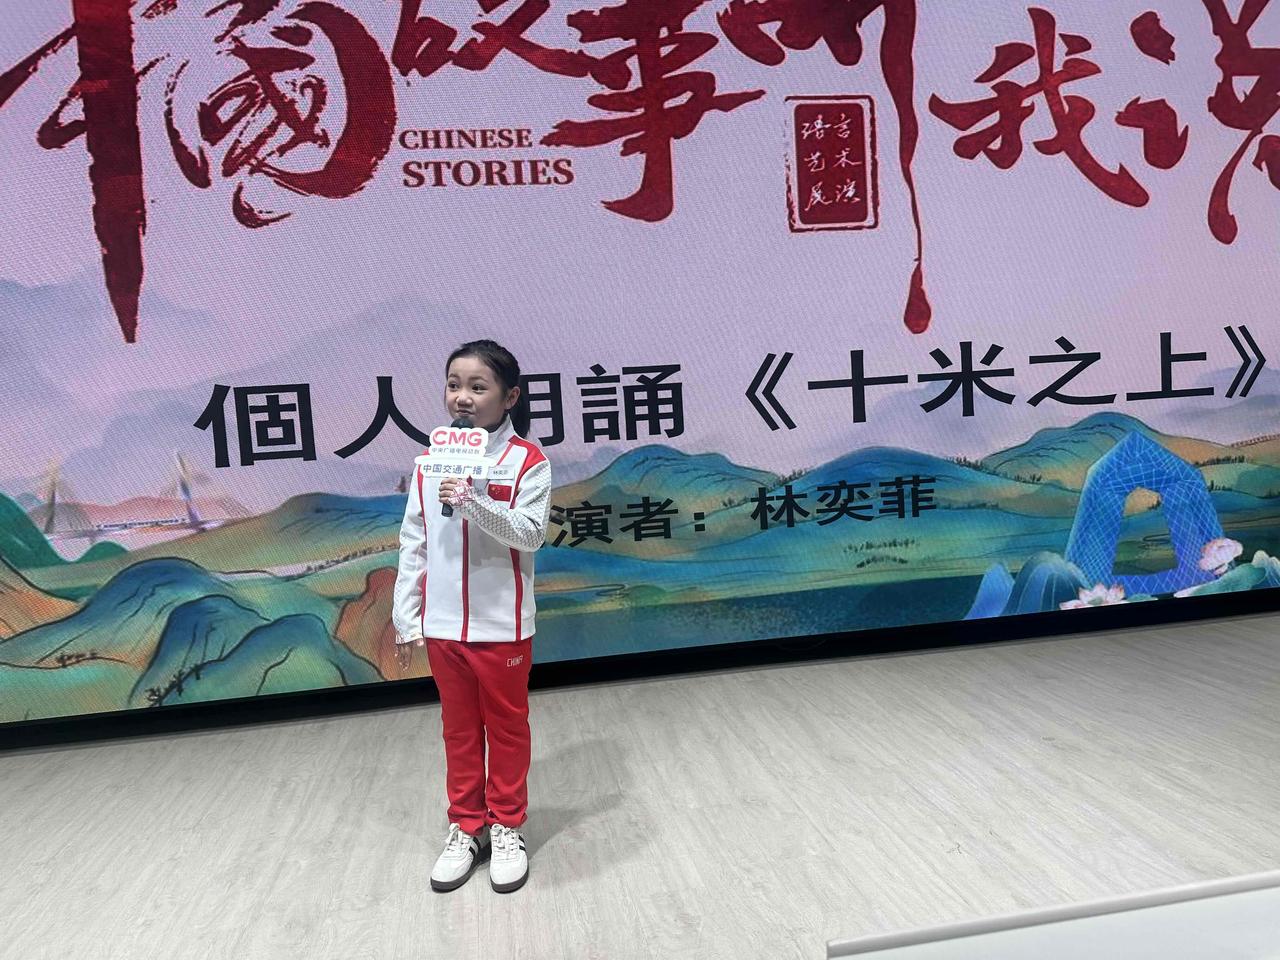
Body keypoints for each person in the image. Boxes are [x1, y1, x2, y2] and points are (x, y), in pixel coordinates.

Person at [392, 339, 552, 894]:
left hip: (501, 625)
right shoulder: (429, 462)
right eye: (454, 385)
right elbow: (414, 539)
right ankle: (466, 826)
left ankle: (507, 825)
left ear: (509, 397)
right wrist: (407, 616)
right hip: (443, 625)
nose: (462, 397)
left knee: (506, 729)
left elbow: (530, 534)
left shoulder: (528, 462)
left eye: (477, 387)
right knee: (458, 731)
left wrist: (474, 501)